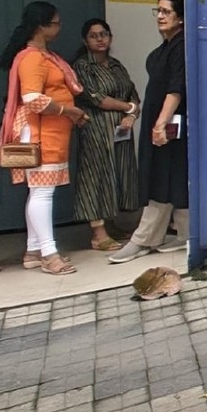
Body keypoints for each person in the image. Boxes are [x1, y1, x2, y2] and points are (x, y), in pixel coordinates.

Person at [0, 1, 87, 276]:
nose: (60, 27)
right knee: (42, 193)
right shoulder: (33, 58)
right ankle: (49, 254)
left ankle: (34, 251)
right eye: (56, 23)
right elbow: (33, 99)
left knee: (40, 192)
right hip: (39, 133)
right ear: (41, 26)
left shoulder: (45, 56)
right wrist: (69, 111)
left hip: (51, 133)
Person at [109, 0, 189, 265]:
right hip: (163, 123)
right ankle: (186, 234)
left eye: (167, 11)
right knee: (172, 176)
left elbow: (176, 89)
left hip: (170, 124)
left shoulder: (181, 47)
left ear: (181, 18)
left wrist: (160, 124)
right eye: (158, 11)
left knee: (163, 176)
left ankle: (144, 238)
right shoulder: (167, 47)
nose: (160, 16)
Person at [71, 18, 141, 252]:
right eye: (94, 36)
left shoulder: (116, 65)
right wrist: (127, 108)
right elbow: (97, 98)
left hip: (121, 131)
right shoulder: (82, 66)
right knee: (96, 178)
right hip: (96, 130)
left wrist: (131, 115)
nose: (100, 39)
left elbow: (133, 95)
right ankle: (98, 234)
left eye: (104, 34)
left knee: (116, 177)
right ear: (85, 41)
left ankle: (111, 225)